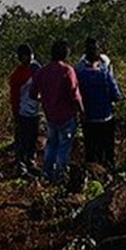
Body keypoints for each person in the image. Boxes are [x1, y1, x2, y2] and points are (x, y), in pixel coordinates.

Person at [29, 39, 85, 183]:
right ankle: (60, 176)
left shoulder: (42, 72)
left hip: (50, 116)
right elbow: (74, 95)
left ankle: (48, 174)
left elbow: (32, 94)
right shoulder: (67, 71)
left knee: (51, 146)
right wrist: (82, 111)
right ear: (66, 54)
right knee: (64, 147)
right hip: (67, 116)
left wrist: (46, 100)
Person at [75, 36, 122, 166]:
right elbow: (115, 93)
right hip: (105, 115)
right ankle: (108, 169)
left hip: (88, 116)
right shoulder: (104, 71)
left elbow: (75, 92)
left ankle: (92, 171)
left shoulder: (79, 69)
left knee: (91, 148)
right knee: (107, 147)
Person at [8, 43, 42, 175]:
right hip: (23, 111)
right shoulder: (19, 74)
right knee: (22, 139)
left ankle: (30, 162)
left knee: (32, 138)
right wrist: (15, 112)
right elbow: (14, 96)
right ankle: (22, 164)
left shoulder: (36, 69)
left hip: (34, 111)